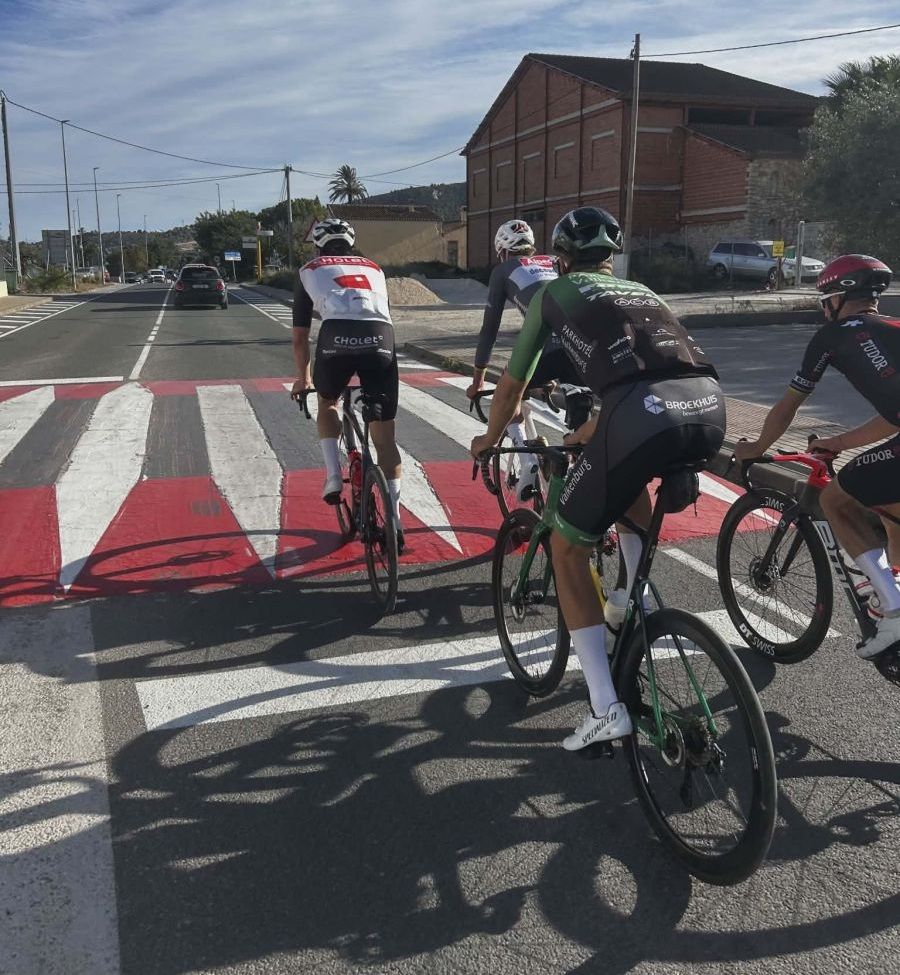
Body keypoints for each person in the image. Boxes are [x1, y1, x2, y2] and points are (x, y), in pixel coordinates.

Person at [471, 207, 724, 750]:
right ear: (611, 257)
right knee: (625, 478)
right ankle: (637, 593)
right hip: (708, 406)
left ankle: (605, 707)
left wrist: (490, 439)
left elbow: (514, 383)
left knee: (566, 550)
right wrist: (592, 425)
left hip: (640, 410)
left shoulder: (551, 296)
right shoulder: (640, 289)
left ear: (558, 259)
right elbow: (644, 366)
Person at [734, 254, 900, 659]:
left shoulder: (834, 336)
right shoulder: (892, 327)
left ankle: (894, 612)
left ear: (838, 298)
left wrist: (755, 448)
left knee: (834, 500)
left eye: (824, 299)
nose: (824, 308)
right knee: (890, 511)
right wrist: (840, 443)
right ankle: (889, 587)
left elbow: (789, 405)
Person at [290, 217, 404, 551]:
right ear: (351, 244)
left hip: (336, 338)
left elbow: (300, 339)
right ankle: (395, 522)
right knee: (385, 438)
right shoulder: (375, 268)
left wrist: (304, 378)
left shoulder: (309, 268)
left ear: (318, 245)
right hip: (381, 338)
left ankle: (332, 476)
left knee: (328, 402)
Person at [467, 219, 575, 501]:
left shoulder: (504, 270)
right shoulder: (553, 261)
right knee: (578, 426)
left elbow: (489, 330)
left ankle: (527, 459)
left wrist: (477, 381)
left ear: (502, 251)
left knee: (509, 390)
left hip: (545, 349)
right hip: (581, 346)